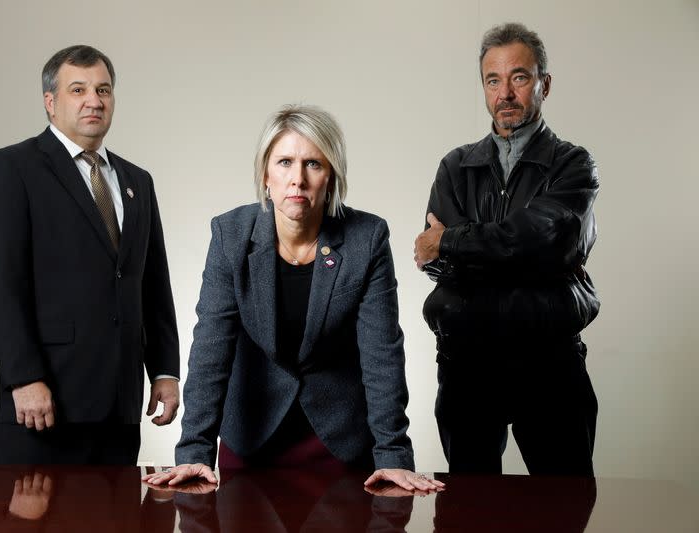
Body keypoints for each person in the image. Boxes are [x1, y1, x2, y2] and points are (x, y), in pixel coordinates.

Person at [144, 105, 442, 492]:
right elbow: (212, 347)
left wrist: (392, 453)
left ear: (331, 176)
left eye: (313, 164)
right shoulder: (230, 235)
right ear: (266, 174)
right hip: (251, 433)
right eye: (285, 162)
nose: (297, 179)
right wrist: (195, 451)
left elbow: (382, 352)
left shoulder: (367, 238)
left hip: (337, 441)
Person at [0, 45, 180, 464]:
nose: (94, 101)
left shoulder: (137, 181)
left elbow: (151, 284)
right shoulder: (10, 169)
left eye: (103, 90)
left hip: (119, 410)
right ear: (50, 102)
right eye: (78, 89)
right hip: (43, 404)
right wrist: (23, 378)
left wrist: (164, 371)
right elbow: (0, 286)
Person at [414, 23, 600, 476]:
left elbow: (548, 240)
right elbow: (434, 261)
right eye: (492, 80)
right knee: (467, 512)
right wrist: (513, 251)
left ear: (544, 85)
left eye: (519, 77)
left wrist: (457, 241)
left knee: (566, 506)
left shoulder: (573, 163)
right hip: (468, 367)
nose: (505, 93)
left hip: (550, 363)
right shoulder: (455, 167)